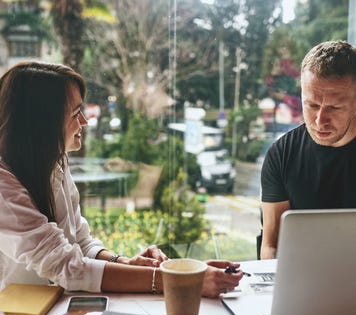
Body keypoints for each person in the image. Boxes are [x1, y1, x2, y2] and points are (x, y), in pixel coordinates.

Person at [0, 61, 243, 298]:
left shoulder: (54, 163)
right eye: (76, 113)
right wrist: (181, 279)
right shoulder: (3, 184)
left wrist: (126, 262)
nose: (85, 121)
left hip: (54, 310)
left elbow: (80, 244)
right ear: (43, 124)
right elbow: (67, 267)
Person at [260, 40, 356, 259]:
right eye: (311, 105)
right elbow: (271, 247)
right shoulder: (282, 155)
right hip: (300, 286)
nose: (320, 121)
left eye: (334, 107)